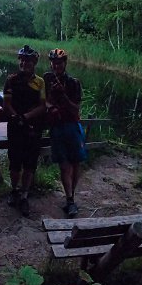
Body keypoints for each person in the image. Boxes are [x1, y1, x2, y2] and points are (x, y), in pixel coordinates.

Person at [2, 45, 47, 217]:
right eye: (21, 59)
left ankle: (25, 195)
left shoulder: (40, 82)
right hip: (15, 126)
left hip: (33, 128)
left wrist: (26, 117)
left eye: (27, 60)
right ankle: (14, 190)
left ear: (34, 62)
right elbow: (6, 104)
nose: (23, 62)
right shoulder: (11, 80)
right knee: (15, 163)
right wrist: (16, 118)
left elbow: (43, 106)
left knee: (30, 164)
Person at [43, 48, 87, 218]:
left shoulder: (73, 82)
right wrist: (51, 107)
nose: (56, 65)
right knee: (63, 165)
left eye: (59, 63)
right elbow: (44, 101)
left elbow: (76, 108)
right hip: (57, 127)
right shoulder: (47, 78)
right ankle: (69, 199)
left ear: (65, 63)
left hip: (72, 125)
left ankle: (72, 196)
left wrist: (63, 96)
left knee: (76, 163)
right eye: (53, 62)